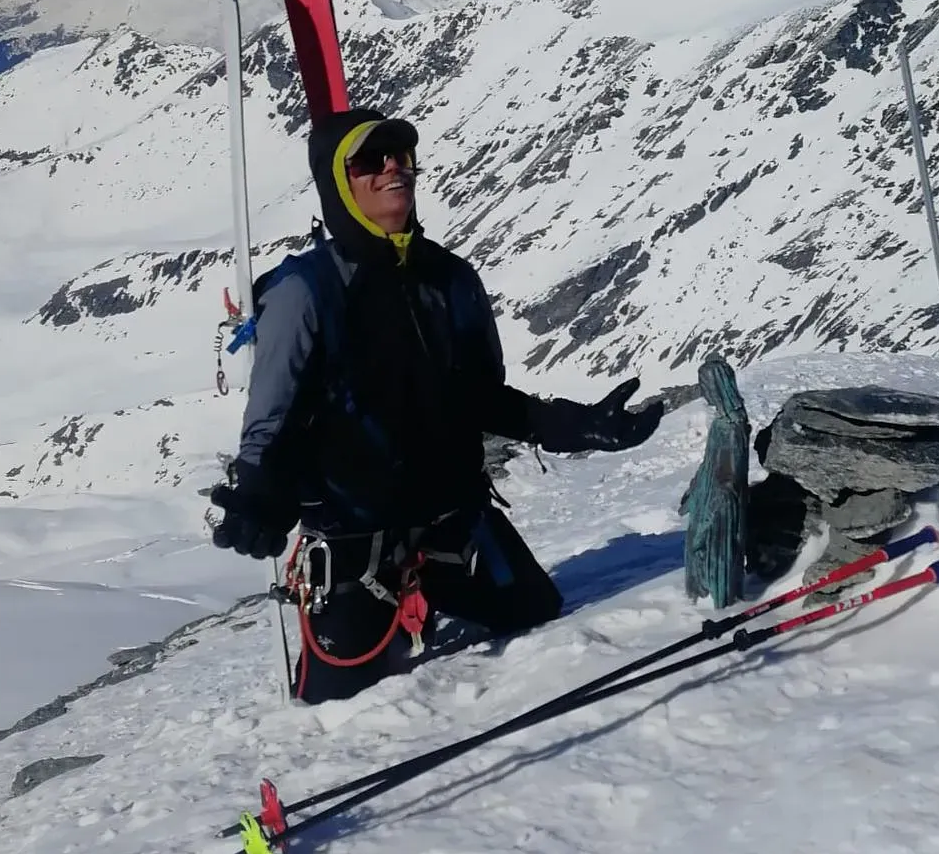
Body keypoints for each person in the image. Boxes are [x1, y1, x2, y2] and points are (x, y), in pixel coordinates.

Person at [208, 106, 664, 702]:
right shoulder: (305, 291)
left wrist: (569, 424)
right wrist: (259, 497)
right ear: (338, 183)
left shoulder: (451, 278)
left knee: (537, 614)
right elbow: (272, 418)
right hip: (354, 550)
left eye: (400, 155)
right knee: (337, 715)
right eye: (370, 161)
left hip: (455, 527)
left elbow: (479, 397)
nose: (393, 168)